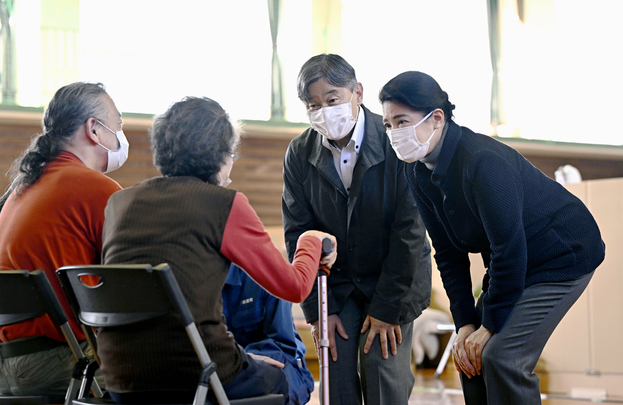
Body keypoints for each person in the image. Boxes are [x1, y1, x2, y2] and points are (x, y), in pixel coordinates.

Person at [379, 70, 606, 405]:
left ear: (436, 118)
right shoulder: (416, 171)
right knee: (469, 356)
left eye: (401, 122)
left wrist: (489, 325)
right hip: (517, 258)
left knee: (501, 357)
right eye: (387, 125)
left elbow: (508, 248)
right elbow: (447, 254)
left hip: (563, 253)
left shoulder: (482, 161)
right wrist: (466, 325)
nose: (394, 133)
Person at [98, 96, 337, 405]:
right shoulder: (224, 203)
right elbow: (293, 287)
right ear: (220, 154)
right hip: (198, 375)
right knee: (289, 378)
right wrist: (310, 240)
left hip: (121, 379)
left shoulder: (119, 203)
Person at [282, 54, 432, 405]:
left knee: (383, 370)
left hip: (394, 279)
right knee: (335, 376)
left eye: (332, 100)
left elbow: (409, 233)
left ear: (358, 92)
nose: (324, 111)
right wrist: (320, 311)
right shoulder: (299, 153)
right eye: (313, 105)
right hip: (337, 285)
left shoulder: (396, 140)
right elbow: (299, 235)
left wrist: (387, 308)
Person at [0, 82, 127, 396]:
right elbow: (129, 288)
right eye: (119, 126)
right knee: (167, 373)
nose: (121, 137)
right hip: (63, 363)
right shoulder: (99, 190)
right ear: (93, 130)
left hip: (6, 364)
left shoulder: (17, 192)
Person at [222, 263, 314, 405]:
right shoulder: (193, 282)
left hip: (281, 363)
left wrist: (242, 359)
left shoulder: (268, 272)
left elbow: (282, 344)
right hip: (226, 370)